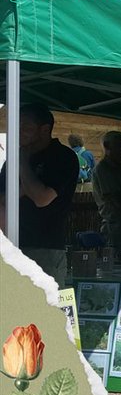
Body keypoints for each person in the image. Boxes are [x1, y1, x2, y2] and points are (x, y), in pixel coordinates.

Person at [0, 104, 80, 285]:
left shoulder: (62, 157)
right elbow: (1, 200)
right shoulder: (12, 159)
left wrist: (22, 163)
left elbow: (42, 198)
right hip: (11, 246)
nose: (18, 132)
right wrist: (25, 189)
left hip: (46, 248)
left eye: (25, 127)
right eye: (16, 126)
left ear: (44, 129)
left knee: (42, 309)